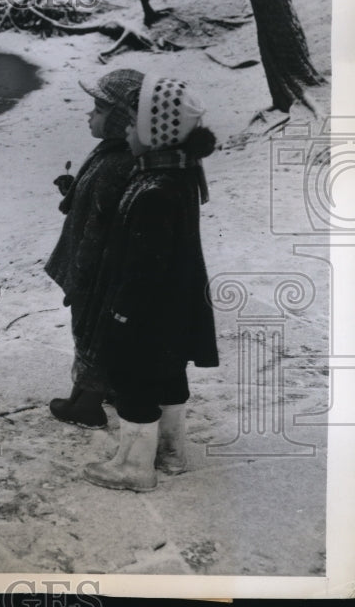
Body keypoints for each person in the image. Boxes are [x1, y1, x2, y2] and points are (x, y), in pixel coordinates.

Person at [82, 75, 219, 492]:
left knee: (134, 381)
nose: (125, 128)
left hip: (145, 311)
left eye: (133, 123)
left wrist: (122, 314)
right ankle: (171, 450)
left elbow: (144, 266)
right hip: (176, 307)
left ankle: (134, 466)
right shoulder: (176, 174)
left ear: (154, 132)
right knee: (168, 373)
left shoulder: (154, 190)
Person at [45, 69, 144, 429]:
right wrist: (74, 188)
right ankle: (104, 388)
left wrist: (79, 279)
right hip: (99, 269)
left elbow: (97, 229)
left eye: (98, 109)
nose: (90, 115)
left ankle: (86, 402)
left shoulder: (117, 162)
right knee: (97, 329)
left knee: (88, 329)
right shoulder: (113, 152)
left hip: (94, 271)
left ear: (120, 118)